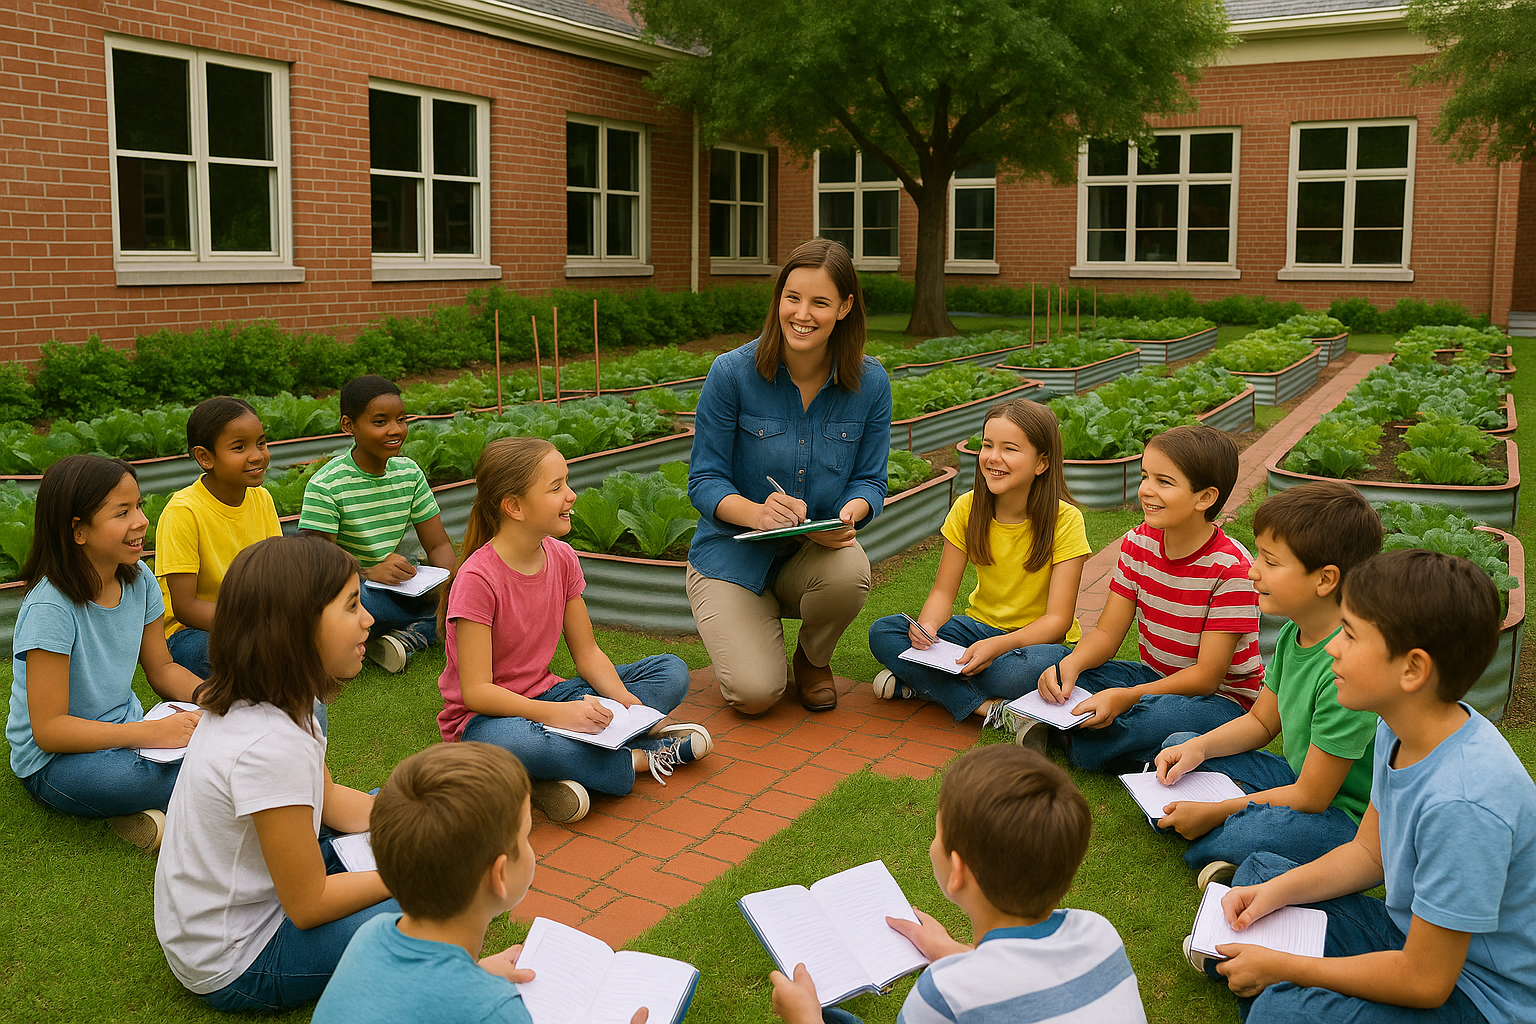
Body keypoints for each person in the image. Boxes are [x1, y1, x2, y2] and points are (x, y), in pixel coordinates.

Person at [1190, 549, 1536, 1024]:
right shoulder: (1399, 726)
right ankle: (1264, 970)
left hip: (1476, 996)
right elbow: (1369, 854)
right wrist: (1275, 893)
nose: (1333, 648)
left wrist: (1289, 966)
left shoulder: (1464, 803)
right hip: (1406, 939)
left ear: (1412, 669)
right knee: (1262, 877)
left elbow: (1426, 981)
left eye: (1350, 636)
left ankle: (1269, 981)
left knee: (1282, 1011)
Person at [154, 534, 399, 1012]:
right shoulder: (269, 745)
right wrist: (420, 867)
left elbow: (328, 799)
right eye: (352, 606)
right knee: (430, 899)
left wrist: (422, 823)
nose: (369, 619)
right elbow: (309, 904)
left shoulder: (279, 701)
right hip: (241, 959)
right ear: (297, 628)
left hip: (263, 899)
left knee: (396, 814)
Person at [436, 436, 708, 825]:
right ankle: (637, 758)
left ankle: (553, 772)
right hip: (485, 721)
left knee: (671, 671)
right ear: (514, 506)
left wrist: (628, 706)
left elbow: (588, 653)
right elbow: (476, 692)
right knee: (519, 743)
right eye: (556, 487)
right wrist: (557, 715)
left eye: (567, 481)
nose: (571, 495)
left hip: (552, 694)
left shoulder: (562, 557)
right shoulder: (478, 579)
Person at [769, 745, 1147, 1024]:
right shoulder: (1099, 932)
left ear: (957, 872)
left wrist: (805, 1020)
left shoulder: (945, 992)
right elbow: (1031, 981)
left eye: (937, 832)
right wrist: (950, 950)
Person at [686, 238, 892, 714]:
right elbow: (705, 481)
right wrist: (758, 514)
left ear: (844, 307)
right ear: (778, 298)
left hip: (813, 555)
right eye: (792, 298)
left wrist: (848, 515)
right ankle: (751, 629)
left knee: (850, 571)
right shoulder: (731, 373)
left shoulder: (870, 382)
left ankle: (813, 659)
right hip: (732, 556)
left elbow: (870, 481)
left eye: (819, 302)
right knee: (755, 695)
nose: (802, 314)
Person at [1152, 481, 1383, 886]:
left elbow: (1312, 797)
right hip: (1295, 782)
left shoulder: (1348, 668)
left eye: (1271, 562)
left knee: (1248, 832)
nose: (1252, 570)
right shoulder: (1296, 631)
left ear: (1325, 579)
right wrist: (1198, 748)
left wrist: (1218, 810)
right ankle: (1222, 838)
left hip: (1344, 819)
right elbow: (1261, 722)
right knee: (1180, 745)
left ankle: (1230, 841)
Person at [1035, 424, 1264, 773]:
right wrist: (1072, 665)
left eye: (1164, 482)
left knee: (1156, 717)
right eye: (1145, 476)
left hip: (1218, 701)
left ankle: (1070, 735)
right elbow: (1107, 634)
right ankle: (1100, 737)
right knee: (1051, 663)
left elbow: (1206, 677)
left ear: (1205, 498)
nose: (1146, 490)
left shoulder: (1231, 569)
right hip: (1152, 677)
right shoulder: (1137, 543)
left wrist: (1128, 697)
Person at [5, 454, 201, 850]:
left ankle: (146, 812)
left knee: (218, 744)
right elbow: (50, 730)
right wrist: (149, 733)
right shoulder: (50, 609)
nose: (141, 521)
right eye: (122, 512)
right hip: (56, 761)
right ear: (78, 530)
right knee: (181, 772)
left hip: (127, 734)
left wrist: (218, 699)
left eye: (139, 506)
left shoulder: (140, 580)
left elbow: (162, 668)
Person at [866, 398, 1088, 728]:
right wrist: (927, 628)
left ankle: (922, 683)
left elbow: (1057, 621)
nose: (993, 457)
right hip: (977, 629)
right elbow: (943, 592)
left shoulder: (1066, 520)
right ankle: (988, 708)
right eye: (987, 445)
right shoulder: (966, 507)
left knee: (1018, 673)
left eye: (1009, 449)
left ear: (1042, 462)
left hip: (1037, 643)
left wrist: (997, 646)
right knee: (885, 632)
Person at [299, 374, 455, 672]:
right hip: (351, 588)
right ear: (349, 425)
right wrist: (368, 572)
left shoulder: (409, 473)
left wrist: (451, 588)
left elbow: (438, 545)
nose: (395, 430)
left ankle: (395, 637)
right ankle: (419, 630)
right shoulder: (326, 485)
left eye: (401, 419)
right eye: (380, 422)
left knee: (461, 596)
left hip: (399, 587)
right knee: (364, 603)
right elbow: (316, 563)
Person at [156, 396, 282, 678]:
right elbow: (185, 607)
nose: (257, 455)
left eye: (261, 443)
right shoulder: (183, 512)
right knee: (229, 653)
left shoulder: (262, 499)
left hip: (255, 624)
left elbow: (275, 579)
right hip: (192, 633)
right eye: (239, 447)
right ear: (205, 457)